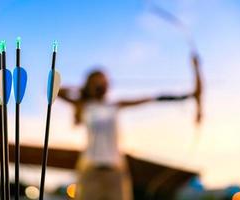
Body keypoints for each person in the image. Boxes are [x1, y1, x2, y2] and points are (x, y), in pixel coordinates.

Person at [58, 56, 202, 200]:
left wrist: (189, 94)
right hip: (90, 170)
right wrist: (83, 87)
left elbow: (152, 98)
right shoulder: (83, 106)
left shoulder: (114, 105)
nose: (102, 84)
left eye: (104, 80)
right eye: (97, 81)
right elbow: (57, 90)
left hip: (116, 170)